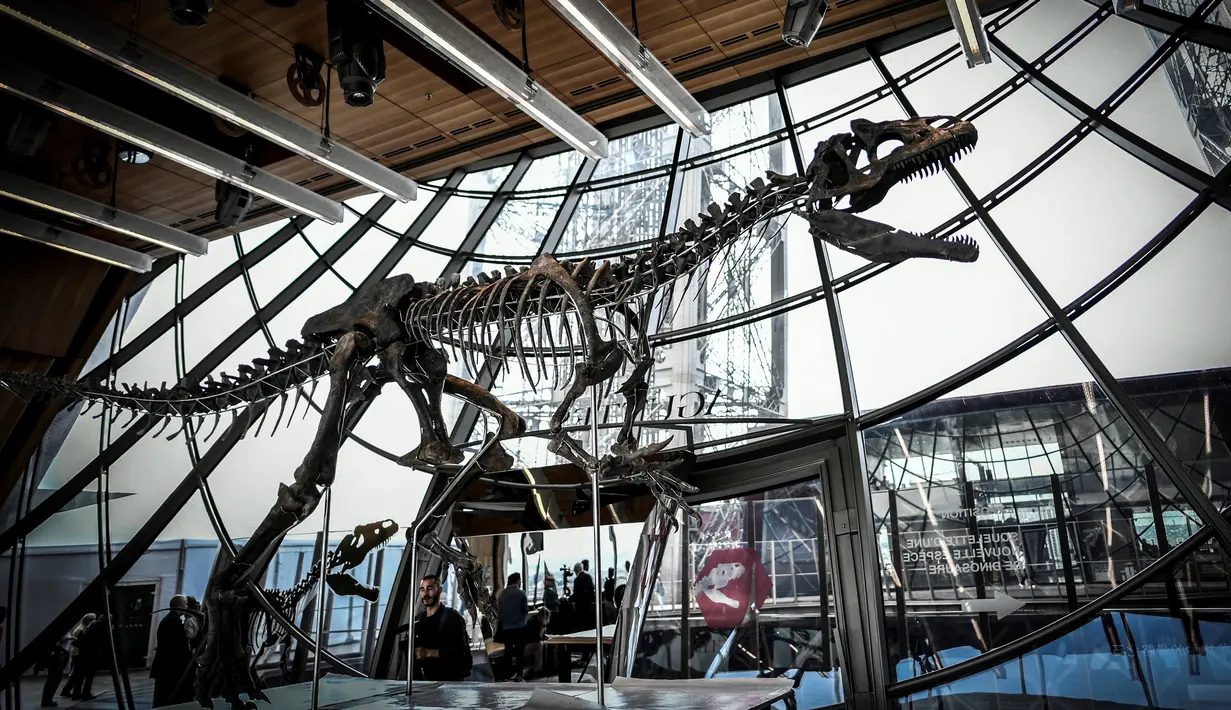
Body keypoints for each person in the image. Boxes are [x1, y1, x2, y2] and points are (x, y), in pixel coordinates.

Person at [404, 575, 472, 681]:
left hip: (449, 681)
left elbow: (460, 653)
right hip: (425, 681)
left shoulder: (452, 616)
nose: (425, 594)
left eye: (430, 588)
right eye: (422, 590)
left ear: (439, 590)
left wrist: (428, 653)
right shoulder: (419, 619)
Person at [150, 596, 193, 707]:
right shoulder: (173, 622)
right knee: (167, 696)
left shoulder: (169, 619)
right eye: (185, 604)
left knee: (163, 695)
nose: (187, 607)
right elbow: (179, 646)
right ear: (179, 605)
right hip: (169, 667)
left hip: (165, 666)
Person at [497, 573, 529, 681]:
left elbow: (499, 611)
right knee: (519, 652)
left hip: (506, 628)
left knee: (508, 652)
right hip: (520, 627)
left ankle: (507, 674)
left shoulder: (502, 594)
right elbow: (526, 610)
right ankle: (519, 674)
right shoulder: (521, 593)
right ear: (518, 581)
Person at [59, 613, 95, 700]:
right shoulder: (82, 628)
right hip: (77, 653)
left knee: (76, 674)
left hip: (76, 652)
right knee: (76, 674)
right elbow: (77, 641)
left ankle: (66, 690)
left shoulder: (81, 627)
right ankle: (67, 691)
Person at [41, 628, 73, 707]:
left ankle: (48, 699)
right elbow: (58, 639)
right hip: (58, 654)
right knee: (53, 678)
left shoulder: (67, 630)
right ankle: (46, 700)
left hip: (62, 653)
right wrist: (70, 638)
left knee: (56, 678)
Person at [571, 562, 595, 631]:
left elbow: (576, 594)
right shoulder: (588, 577)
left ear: (576, 570)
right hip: (588, 605)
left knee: (582, 626)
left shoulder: (577, 580)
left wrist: (568, 599)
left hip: (580, 607)